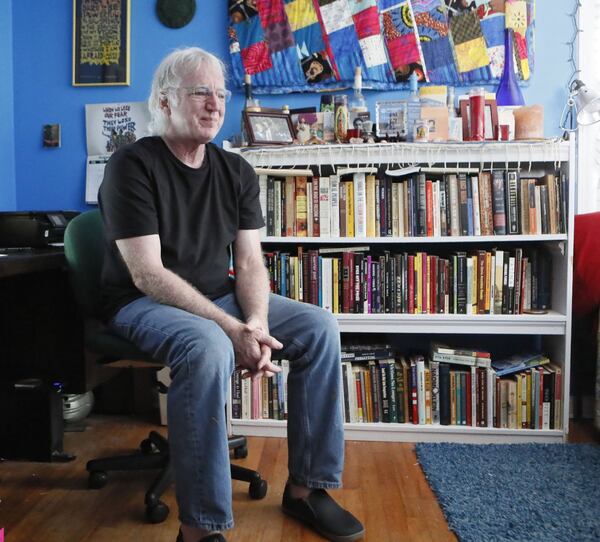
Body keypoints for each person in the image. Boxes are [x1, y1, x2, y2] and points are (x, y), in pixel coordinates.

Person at [98, 47, 364, 542]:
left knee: (319, 327)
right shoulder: (131, 165)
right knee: (208, 346)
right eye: (200, 92)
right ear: (165, 101)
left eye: (220, 93)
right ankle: (200, 528)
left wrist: (256, 323)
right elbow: (149, 275)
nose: (215, 104)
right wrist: (231, 329)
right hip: (142, 304)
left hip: (219, 299)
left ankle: (307, 490)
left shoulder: (236, 170)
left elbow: (248, 262)